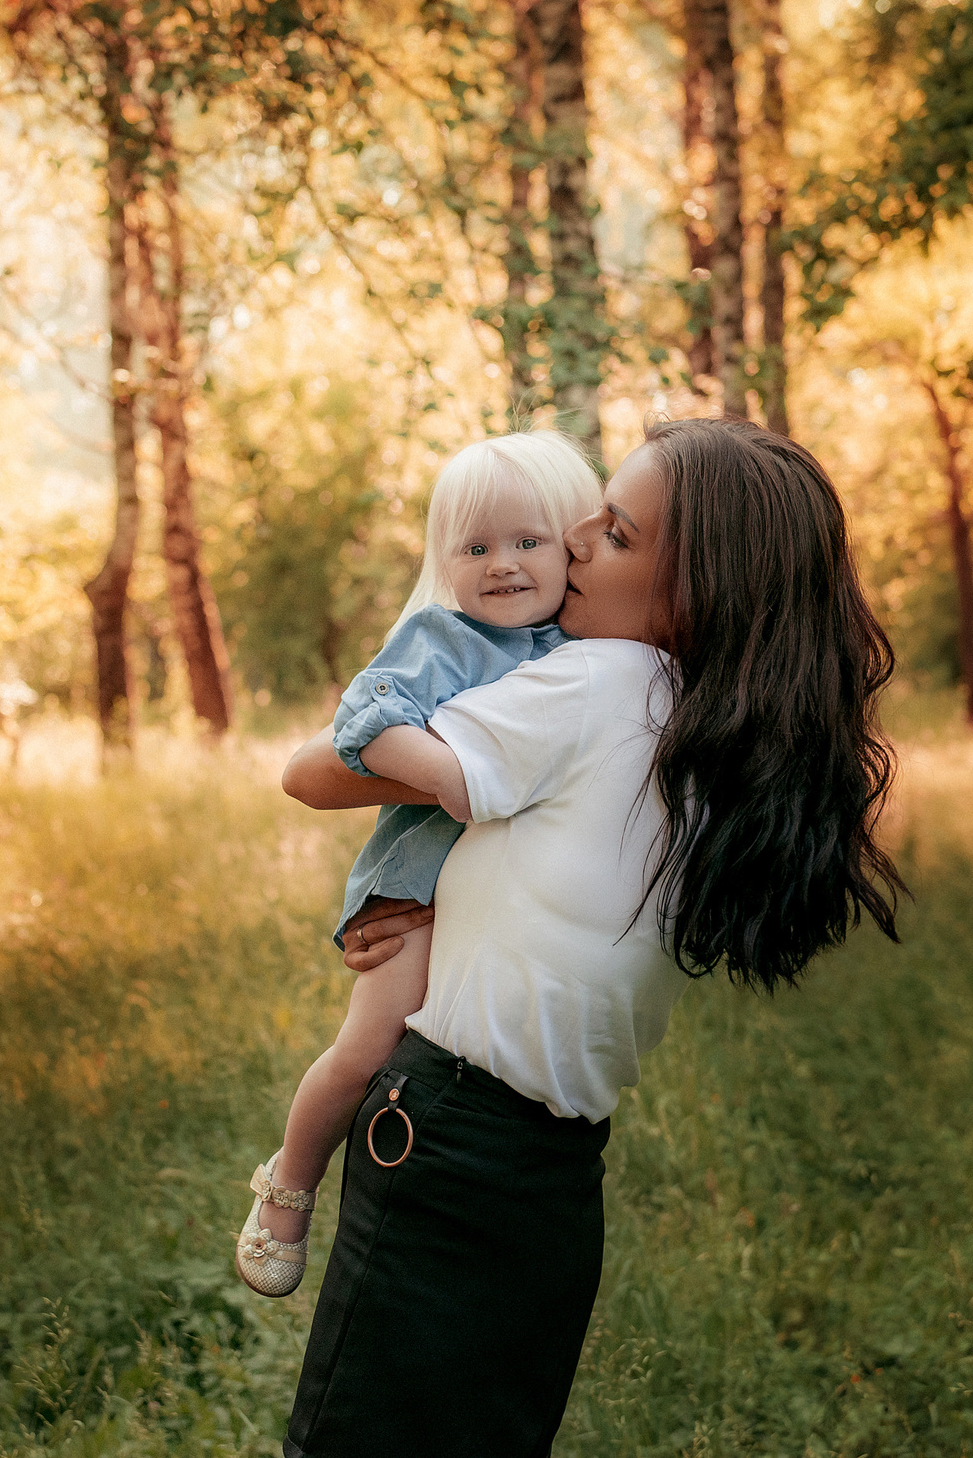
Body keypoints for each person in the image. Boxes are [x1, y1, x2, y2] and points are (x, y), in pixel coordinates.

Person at [273, 418, 905, 1458]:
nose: (570, 547)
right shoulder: (725, 728)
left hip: (449, 1138)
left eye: (611, 533)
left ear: (694, 587)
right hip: (558, 1175)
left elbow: (314, 770)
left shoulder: (593, 682)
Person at [234, 430, 600, 1296]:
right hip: (417, 886)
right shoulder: (445, 637)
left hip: (506, 921)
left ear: (572, 546)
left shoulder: (580, 654)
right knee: (369, 1046)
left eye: (528, 541)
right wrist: (447, 774)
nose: (501, 565)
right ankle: (289, 1182)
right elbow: (364, 715)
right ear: (445, 560)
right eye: (475, 547)